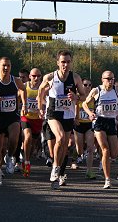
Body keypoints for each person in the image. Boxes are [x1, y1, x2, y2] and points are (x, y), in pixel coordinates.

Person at [38, 50, 86, 189]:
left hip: (68, 115)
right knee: (60, 138)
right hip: (53, 113)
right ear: (58, 62)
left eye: (68, 62)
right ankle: (55, 167)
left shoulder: (75, 78)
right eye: (63, 62)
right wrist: (41, 106)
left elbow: (83, 96)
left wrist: (76, 97)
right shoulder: (50, 77)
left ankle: (59, 169)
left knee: (65, 146)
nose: (65, 64)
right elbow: (40, 90)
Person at [0, 57, 27, 186]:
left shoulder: (16, 80)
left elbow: (23, 90)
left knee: (14, 138)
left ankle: (9, 157)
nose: (6, 68)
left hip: (12, 116)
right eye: (4, 65)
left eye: (8, 65)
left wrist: (23, 104)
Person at [84, 70, 118, 189]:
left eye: (112, 79)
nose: (110, 81)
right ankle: (107, 179)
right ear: (102, 79)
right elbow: (85, 104)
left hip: (111, 121)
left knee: (115, 153)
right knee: (105, 149)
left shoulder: (117, 90)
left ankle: (104, 160)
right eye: (108, 79)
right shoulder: (97, 90)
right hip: (100, 121)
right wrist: (90, 113)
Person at [20, 68, 43, 177]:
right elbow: (16, 98)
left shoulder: (43, 88)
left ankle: (26, 155)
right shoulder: (24, 86)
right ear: (29, 76)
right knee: (27, 137)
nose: (36, 78)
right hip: (26, 117)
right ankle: (26, 162)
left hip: (38, 119)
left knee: (32, 144)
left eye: (38, 76)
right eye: (34, 76)